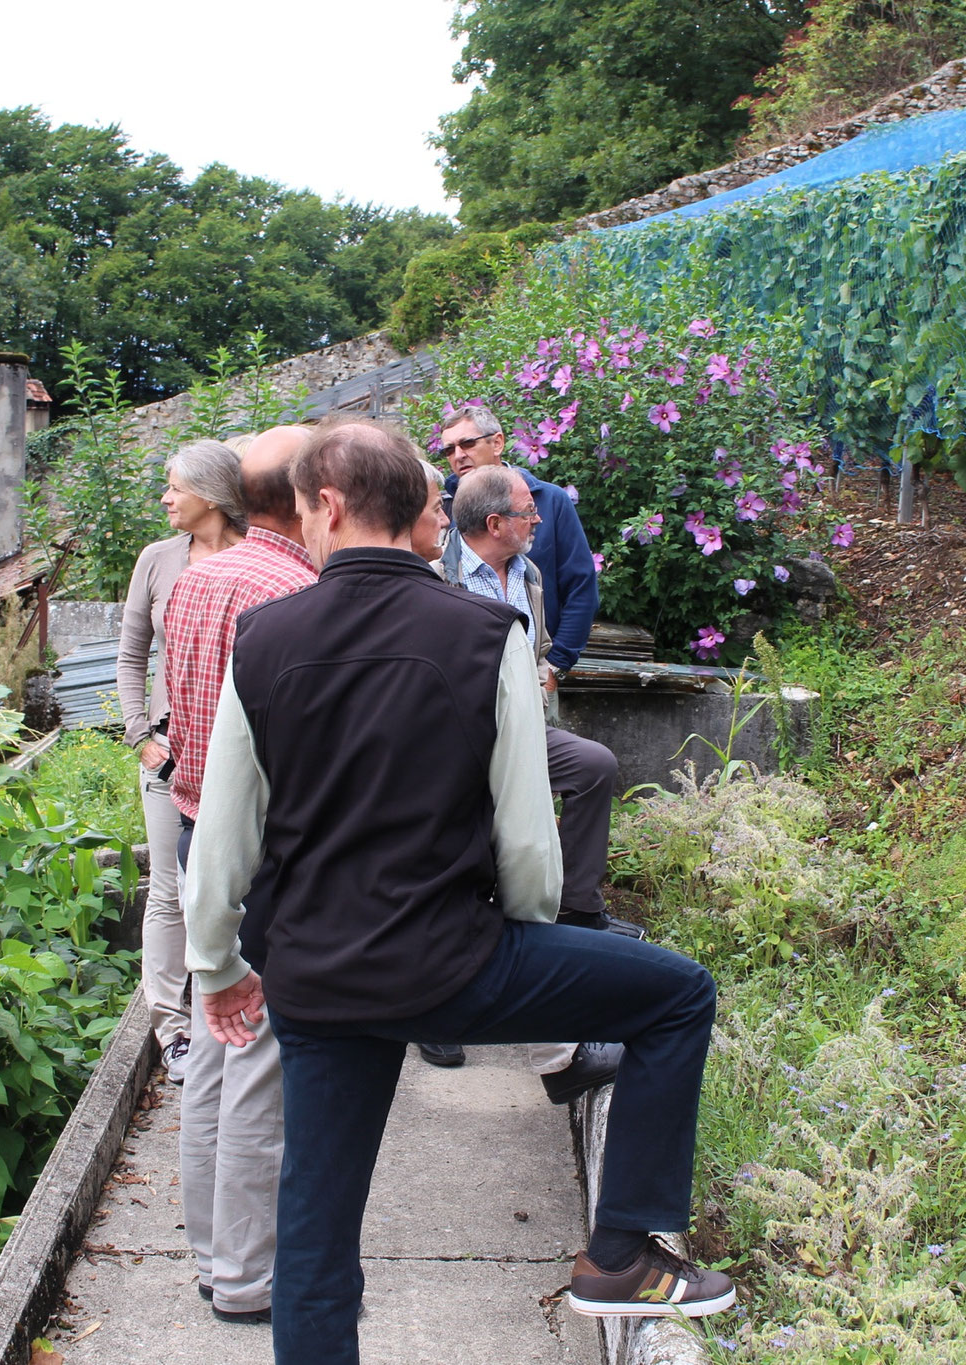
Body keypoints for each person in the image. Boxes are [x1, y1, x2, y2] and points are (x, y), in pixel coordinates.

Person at [183, 421, 731, 1365]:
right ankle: (619, 1255)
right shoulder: (486, 633)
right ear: (413, 510)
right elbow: (527, 837)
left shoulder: (264, 636)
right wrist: (528, 944)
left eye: (304, 509)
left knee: (314, 1227)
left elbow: (228, 829)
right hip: (453, 964)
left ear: (329, 506)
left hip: (316, 978)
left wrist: (216, 963)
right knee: (677, 995)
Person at [163, 424, 318, 1326]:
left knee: (214, 1043)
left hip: (195, 830)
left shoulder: (199, 576)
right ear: (301, 497)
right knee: (258, 1053)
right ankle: (247, 1277)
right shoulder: (290, 590)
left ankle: (208, 1254)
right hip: (256, 843)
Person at [424, 464, 623, 1104]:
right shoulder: (437, 574)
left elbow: (535, 649)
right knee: (466, 829)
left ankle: (577, 910)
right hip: (457, 738)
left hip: (524, 728)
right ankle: (435, 1013)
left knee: (593, 766)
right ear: (494, 523)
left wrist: (544, 674)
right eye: (526, 512)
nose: (538, 519)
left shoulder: (529, 574)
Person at [115, 440, 248, 1086]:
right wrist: (139, 734)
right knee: (169, 889)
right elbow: (130, 655)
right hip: (170, 750)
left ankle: (238, 1012)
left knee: (236, 882)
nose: (166, 498)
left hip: (242, 749)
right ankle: (172, 1029)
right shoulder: (158, 560)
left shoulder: (256, 556)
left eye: (175, 487)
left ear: (213, 494)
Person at [437, 405, 598, 681]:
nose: (458, 455)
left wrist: (555, 667)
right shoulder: (442, 512)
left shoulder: (550, 501)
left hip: (535, 676)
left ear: (497, 443)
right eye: (449, 450)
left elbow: (581, 588)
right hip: (465, 681)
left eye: (467, 443)